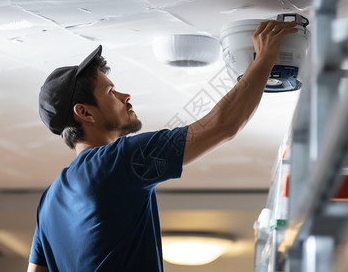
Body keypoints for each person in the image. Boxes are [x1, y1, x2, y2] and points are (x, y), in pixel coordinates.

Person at [27, 20, 298, 272]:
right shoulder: (115, 162)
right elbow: (222, 125)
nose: (125, 96)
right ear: (85, 113)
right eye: (111, 92)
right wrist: (264, 59)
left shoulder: (49, 202)